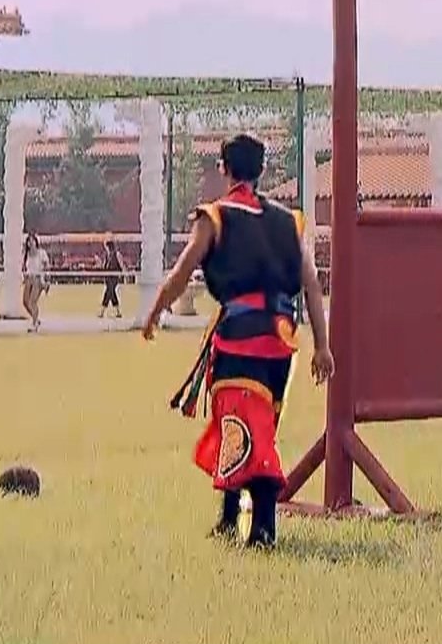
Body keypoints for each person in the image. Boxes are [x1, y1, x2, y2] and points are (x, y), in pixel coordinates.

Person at [141, 133, 334, 549]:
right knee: (244, 425)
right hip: (280, 343)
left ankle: (263, 530)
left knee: (247, 429)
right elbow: (312, 286)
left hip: (240, 340)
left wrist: (155, 310)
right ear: (261, 171)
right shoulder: (289, 221)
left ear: (224, 169)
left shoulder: (214, 216)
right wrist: (322, 345)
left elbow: (182, 271)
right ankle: (229, 519)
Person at [22, 233, 50, 333]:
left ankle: (34, 324)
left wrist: (47, 281)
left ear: (36, 242)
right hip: (29, 279)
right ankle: (36, 318)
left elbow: (47, 267)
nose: (31, 243)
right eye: (29, 241)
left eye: (32, 241)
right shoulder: (26, 254)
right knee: (25, 302)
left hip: (38, 279)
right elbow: (25, 267)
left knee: (32, 302)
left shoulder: (41, 253)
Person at [99, 238, 126, 320]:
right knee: (112, 293)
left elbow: (121, 264)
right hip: (108, 277)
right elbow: (104, 266)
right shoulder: (107, 255)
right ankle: (118, 312)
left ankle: (102, 312)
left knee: (108, 293)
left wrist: (124, 274)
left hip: (114, 277)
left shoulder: (117, 254)